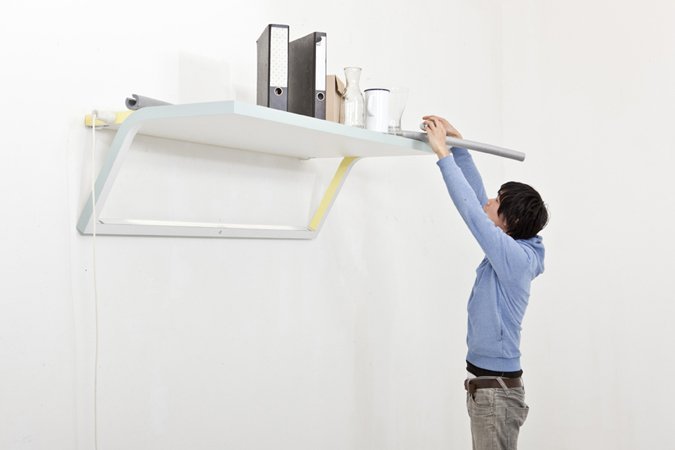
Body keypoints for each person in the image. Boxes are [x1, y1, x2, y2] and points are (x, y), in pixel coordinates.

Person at [423, 115, 549, 450]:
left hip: (496, 394)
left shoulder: (514, 259)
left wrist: (443, 155)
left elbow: (472, 213)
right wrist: (459, 147)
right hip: (489, 389)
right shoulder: (513, 245)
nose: (490, 201)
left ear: (511, 221)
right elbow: (478, 203)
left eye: (497, 201)